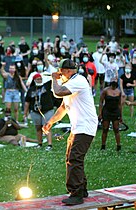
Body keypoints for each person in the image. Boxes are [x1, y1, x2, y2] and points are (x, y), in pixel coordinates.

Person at [42, 59, 98, 205]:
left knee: (74, 159)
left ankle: (76, 193)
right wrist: (51, 122)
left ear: (67, 71)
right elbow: (63, 107)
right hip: (78, 127)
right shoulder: (70, 83)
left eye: (60, 71)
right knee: (72, 157)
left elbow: (58, 93)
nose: (59, 74)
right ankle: (82, 189)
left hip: (85, 126)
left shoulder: (78, 80)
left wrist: (54, 80)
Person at [24, 73, 54, 151]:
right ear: (34, 80)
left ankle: (49, 144)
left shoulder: (46, 86)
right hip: (35, 111)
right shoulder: (31, 90)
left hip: (47, 110)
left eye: (40, 79)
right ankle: (39, 143)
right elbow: (27, 102)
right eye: (37, 79)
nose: (39, 80)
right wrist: (25, 113)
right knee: (38, 127)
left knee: (47, 127)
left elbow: (52, 78)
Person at [98, 79, 122, 151]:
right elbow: (101, 102)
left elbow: (119, 104)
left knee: (116, 129)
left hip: (115, 111)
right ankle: (103, 145)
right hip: (107, 111)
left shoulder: (119, 92)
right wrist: (100, 113)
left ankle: (118, 145)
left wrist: (120, 115)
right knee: (105, 128)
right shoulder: (106, 91)